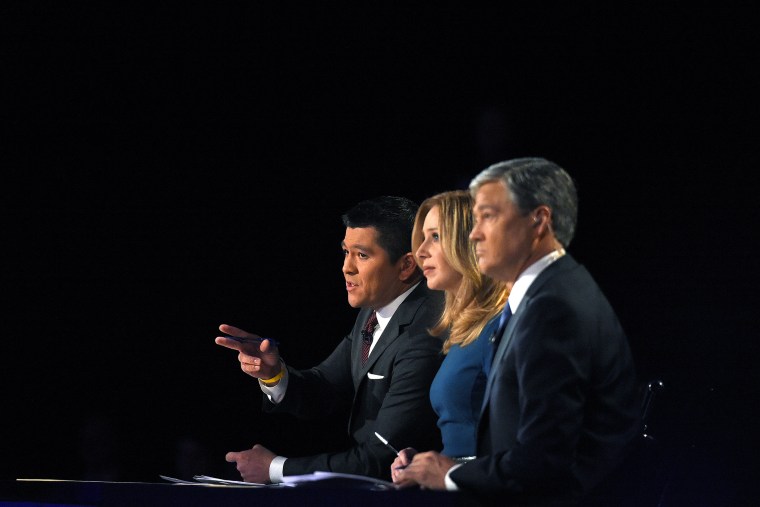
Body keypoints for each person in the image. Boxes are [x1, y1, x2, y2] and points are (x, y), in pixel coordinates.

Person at [392, 158, 640, 506]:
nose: (474, 234)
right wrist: (435, 467)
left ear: (538, 221)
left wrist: (448, 474)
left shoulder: (553, 308)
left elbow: (542, 461)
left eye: (488, 217)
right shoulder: (543, 298)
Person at [215, 195, 444, 484]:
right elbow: (325, 387)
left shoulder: (424, 334)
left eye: (362, 255)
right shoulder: (374, 311)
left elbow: (381, 458)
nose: (346, 268)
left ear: (406, 265)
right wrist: (275, 375)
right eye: (345, 252)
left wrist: (275, 469)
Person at [401, 190, 509, 462]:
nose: (420, 251)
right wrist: (425, 462)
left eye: (435, 237)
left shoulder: (501, 327)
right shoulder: (467, 331)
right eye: (422, 238)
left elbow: (523, 449)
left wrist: (449, 472)